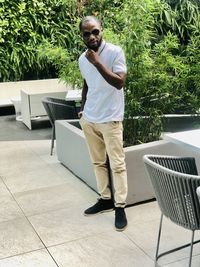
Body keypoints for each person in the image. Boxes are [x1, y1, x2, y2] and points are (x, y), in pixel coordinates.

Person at [78, 15, 128, 231]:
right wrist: (82, 110)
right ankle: (105, 199)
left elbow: (119, 82)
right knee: (98, 162)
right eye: (86, 33)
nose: (92, 36)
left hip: (110, 119)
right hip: (90, 119)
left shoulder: (115, 52)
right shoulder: (83, 59)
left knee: (117, 165)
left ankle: (120, 206)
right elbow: (87, 84)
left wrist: (97, 62)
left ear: (102, 30)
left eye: (95, 31)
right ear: (82, 36)